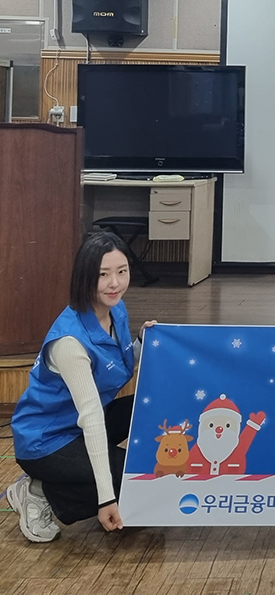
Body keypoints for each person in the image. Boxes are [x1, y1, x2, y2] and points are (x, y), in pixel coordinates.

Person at [8, 232, 156, 542]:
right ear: (85, 276)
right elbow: (91, 420)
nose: (115, 283)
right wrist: (106, 499)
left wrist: (143, 343)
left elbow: (114, 362)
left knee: (152, 407)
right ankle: (41, 493)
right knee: (135, 481)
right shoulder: (69, 342)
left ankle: (68, 484)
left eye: (122, 271)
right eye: (103, 275)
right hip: (46, 441)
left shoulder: (115, 309)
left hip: (79, 422)